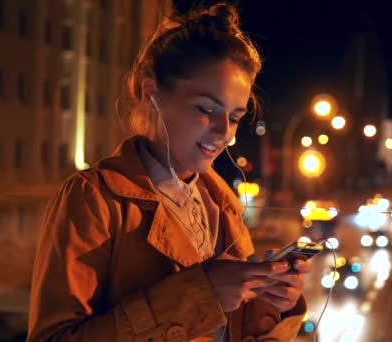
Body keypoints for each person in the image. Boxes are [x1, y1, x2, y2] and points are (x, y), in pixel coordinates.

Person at [27, 3, 311, 341]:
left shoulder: (222, 206)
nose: (226, 133)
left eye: (235, 117)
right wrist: (200, 294)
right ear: (152, 94)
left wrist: (273, 301)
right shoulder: (94, 199)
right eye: (207, 109)